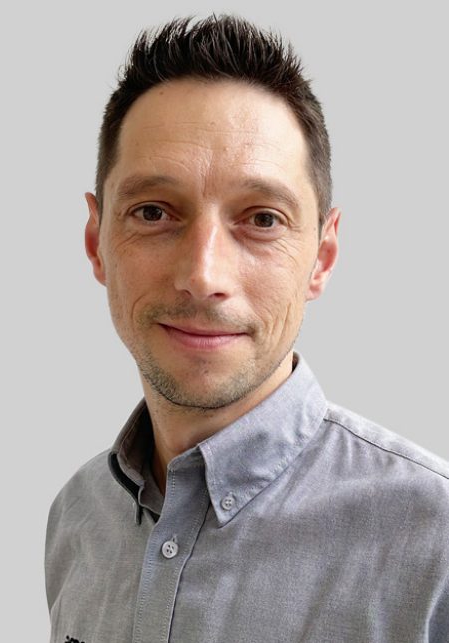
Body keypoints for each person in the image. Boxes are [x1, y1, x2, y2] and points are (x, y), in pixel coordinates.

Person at [45, 15, 449, 643]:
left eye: (262, 219)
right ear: (97, 242)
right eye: (153, 212)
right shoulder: (76, 517)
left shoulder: (436, 542)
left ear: (322, 257)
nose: (202, 275)